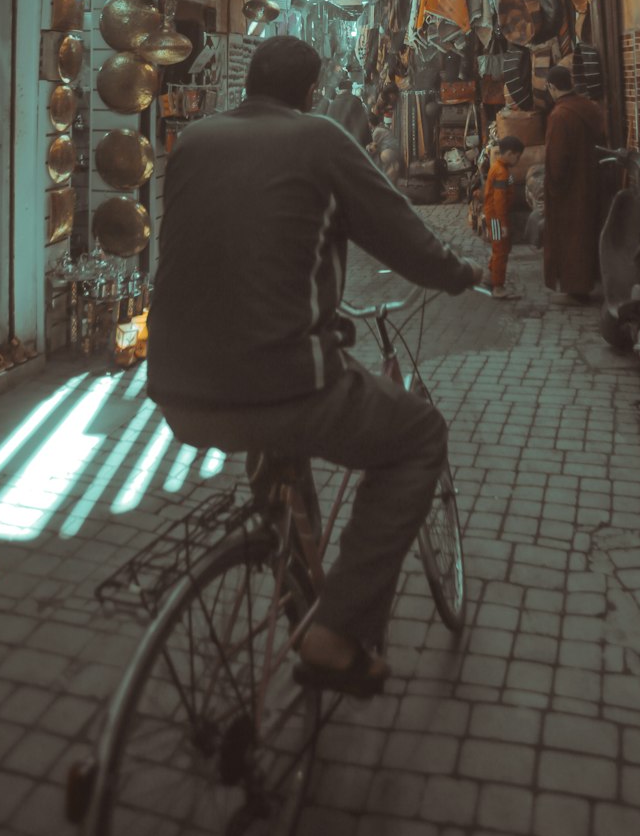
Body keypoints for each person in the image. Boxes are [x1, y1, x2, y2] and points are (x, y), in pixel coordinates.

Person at [147, 36, 487, 694]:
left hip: (176, 392)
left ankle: (298, 592)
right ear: (310, 93)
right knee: (418, 436)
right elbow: (403, 238)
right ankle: (335, 630)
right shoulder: (321, 139)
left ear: (249, 85)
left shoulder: (193, 141)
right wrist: (459, 272)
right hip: (283, 384)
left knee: (277, 446)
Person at [543, 64, 606, 301]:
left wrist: (553, 186)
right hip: (592, 181)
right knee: (587, 232)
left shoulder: (560, 115)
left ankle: (577, 287)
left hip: (569, 188)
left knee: (572, 237)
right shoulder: (589, 107)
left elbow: (557, 159)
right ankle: (588, 281)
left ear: (551, 86)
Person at [483, 135, 524, 299]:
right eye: (517, 156)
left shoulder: (500, 168)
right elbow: (499, 201)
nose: (518, 160)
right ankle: (498, 287)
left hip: (495, 218)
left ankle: (491, 278)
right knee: (501, 250)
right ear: (509, 153)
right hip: (497, 219)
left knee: (500, 248)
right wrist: (503, 224)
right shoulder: (501, 172)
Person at [327, 75, 372, 148]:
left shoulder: (332, 105)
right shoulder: (355, 102)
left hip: (337, 146)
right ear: (350, 90)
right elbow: (363, 125)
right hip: (353, 146)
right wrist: (368, 141)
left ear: (340, 90)